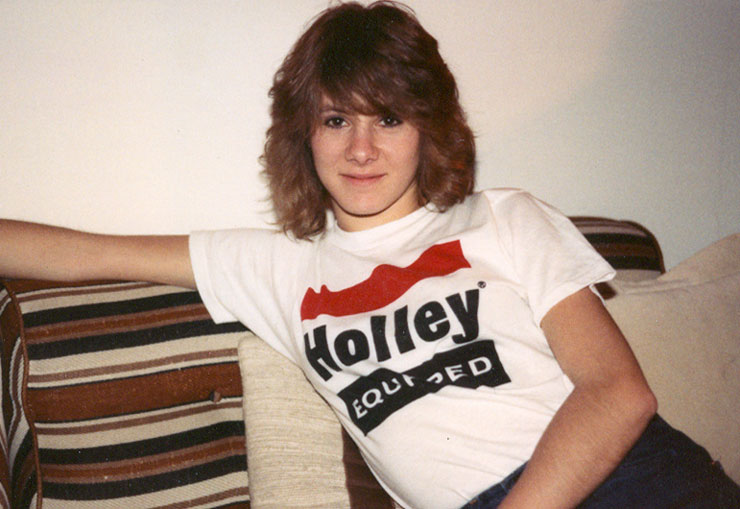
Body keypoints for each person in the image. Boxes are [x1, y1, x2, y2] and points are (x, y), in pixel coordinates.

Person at [1, 2, 738, 508]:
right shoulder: (276, 267)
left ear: (428, 128)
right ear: (304, 134)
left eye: (388, 118)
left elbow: (618, 394)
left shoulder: (502, 218)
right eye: (335, 119)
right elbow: (84, 254)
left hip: (630, 479)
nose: (361, 149)